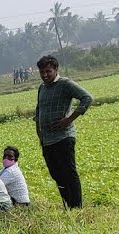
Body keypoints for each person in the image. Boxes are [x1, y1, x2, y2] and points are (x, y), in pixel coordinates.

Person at [35, 54, 92, 209]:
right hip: (47, 140)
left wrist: (69, 119)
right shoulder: (42, 88)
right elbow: (38, 110)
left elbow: (87, 98)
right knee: (56, 174)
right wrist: (39, 132)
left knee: (69, 173)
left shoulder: (65, 84)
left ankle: (77, 208)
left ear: (55, 69)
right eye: (42, 72)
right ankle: (68, 205)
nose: (45, 75)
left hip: (63, 137)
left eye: (48, 71)